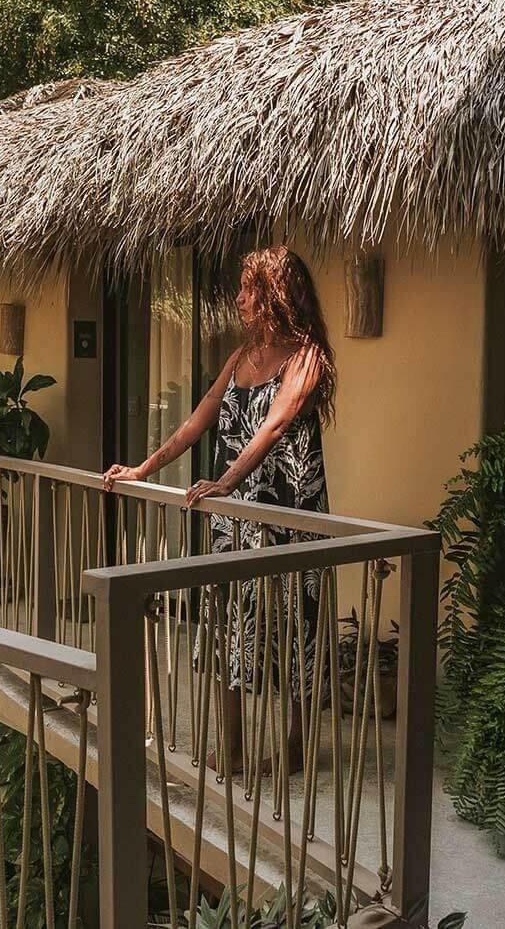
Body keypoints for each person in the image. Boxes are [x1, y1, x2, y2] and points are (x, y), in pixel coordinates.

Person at [103, 244, 335, 772]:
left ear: (275, 294)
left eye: (249, 290)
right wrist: (141, 469)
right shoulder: (238, 359)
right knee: (227, 620)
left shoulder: (306, 357)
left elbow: (274, 426)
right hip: (234, 520)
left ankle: (296, 747)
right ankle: (231, 747)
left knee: (294, 626)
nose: (240, 299)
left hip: (289, 516)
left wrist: (227, 480)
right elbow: (193, 426)